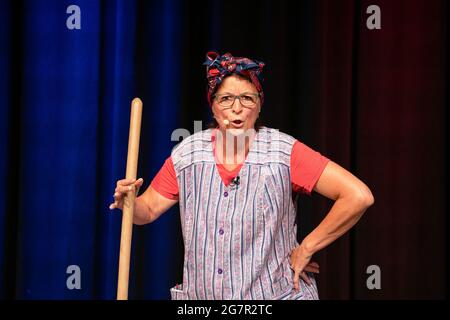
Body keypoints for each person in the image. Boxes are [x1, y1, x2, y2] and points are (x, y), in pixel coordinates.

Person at [109, 51, 374, 300]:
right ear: (212, 106)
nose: (237, 108)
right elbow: (148, 210)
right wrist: (129, 202)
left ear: (259, 107)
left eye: (247, 98)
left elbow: (358, 196)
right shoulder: (188, 154)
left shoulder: (284, 152)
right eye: (225, 99)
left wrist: (307, 247)